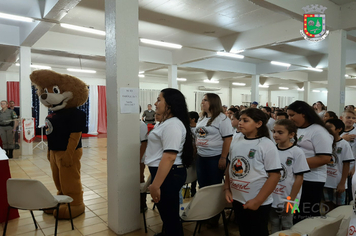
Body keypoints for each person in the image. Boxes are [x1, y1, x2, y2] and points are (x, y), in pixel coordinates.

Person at [224, 108, 281, 236]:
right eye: (240, 119)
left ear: (258, 124)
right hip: (238, 198)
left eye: (245, 120)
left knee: (257, 231)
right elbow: (231, 165)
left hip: (257, 201)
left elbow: (274, 176)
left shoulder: (266, 144)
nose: (240, 123)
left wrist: (258, 201)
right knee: (244, 230)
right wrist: (227, 188)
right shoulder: (236, 139)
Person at [144, 88, 193, 236]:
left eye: (159, 99)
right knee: (167, 215)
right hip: (165, 173)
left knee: (170, 217)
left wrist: (155, 185)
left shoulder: (173, 125)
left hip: (170, 174)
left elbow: (169, 156)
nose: (155, 103)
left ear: (170, 104)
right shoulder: (167, 123)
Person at [287, 101, 333, 223]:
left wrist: (295, 165)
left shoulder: (318, 131)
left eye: (292, 115)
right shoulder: (296, 129)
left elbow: (325, 158)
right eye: (288, 115)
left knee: (306, 216)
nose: (290, 118)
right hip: (295, 178)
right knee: (295, 214)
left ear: (303, 114)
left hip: (312, 180)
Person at [195, 93, 233, 227]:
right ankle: (205, 212)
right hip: (202, 157)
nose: (202, 102)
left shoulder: (222, 119)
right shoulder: (203, 118)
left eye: (205, 100)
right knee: (204, 186)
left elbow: (228, 139)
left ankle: (214, 215)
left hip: (215, 157)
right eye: (202, 100)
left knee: (214, 187)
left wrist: (223, 157)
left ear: (213, 102)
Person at [270, 119, 310, 233]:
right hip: (273, 196)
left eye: (280, 132)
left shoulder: (297, 152)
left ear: (291, 134)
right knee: (273, 223)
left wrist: (291, 200)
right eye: (274, 131)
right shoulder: (272, 150)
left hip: (288, 196)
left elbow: (299, 178)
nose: (275, 135)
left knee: (287, 225)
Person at [324, 119, 354, 211]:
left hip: (337, 182)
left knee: (339, 208)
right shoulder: (324, 143)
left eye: (330, 127)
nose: (327, 129)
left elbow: (346, 164)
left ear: (339, 129)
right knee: (327, 204)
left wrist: (342, 183)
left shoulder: (344, 144)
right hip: (325, 181)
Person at [340, 109, 356, 204]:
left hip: (351, 168)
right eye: (348, 117)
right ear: (341, 118)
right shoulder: (337, 131)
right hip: (338, 167)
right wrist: (342, 139)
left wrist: (354, 168)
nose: (350, 120)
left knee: (350, 193)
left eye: (353, 118)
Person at [139, 106, 148, 212]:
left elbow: (144, 143)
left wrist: (139, 158)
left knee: (140, 180)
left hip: (139, 159)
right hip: (128, 157)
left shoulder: (141, 125)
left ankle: (143, 204)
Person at [188, 111, 199, 197]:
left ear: (193, 119)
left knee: (194, 171)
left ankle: (193, 188)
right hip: (187, 153)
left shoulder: (198, 129)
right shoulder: (186, 128)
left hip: (195, 153)